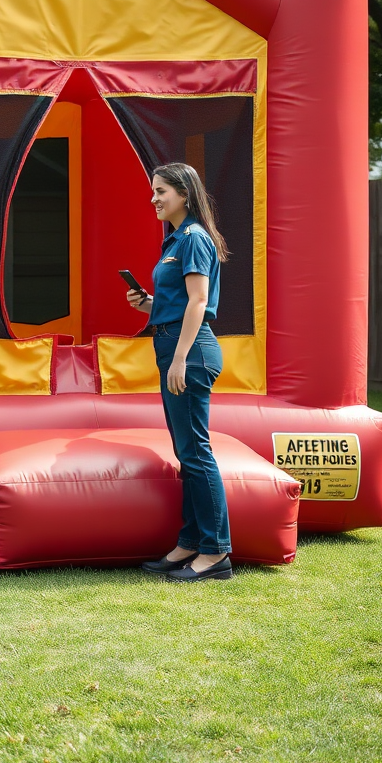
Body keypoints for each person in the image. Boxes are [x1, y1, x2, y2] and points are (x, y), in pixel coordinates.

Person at [127, 162, 233, 582]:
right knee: (186, 452)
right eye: (153, 191)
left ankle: (215, 552)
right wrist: (148, 304)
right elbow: (178, 302)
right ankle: (190, 542)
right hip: (173, 341)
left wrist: (180, 358)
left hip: (189, 350)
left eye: (161, 192)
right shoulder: (174, 239)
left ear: (184, 195)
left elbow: (198, 302)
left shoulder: (192, 238)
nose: (153, 198)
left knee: (196, 452)